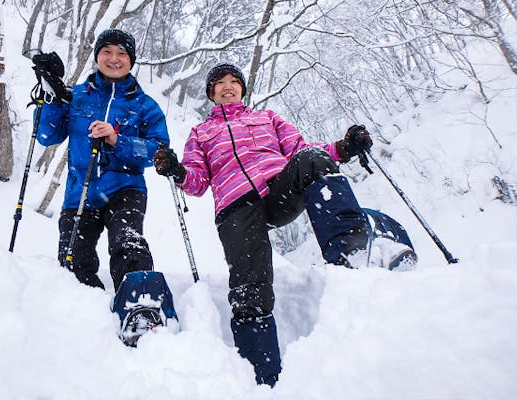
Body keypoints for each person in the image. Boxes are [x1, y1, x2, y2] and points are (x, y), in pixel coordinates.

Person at [154, 63, 415, 387]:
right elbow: (197, 182)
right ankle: (261, 378)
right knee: (250, 287)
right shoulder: (201, 133)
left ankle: (353, 252)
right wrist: (177, 170)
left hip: (277, 191)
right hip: (235, 207)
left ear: (242, 89)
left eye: (234, 82)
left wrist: (345, 148)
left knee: (314, 161)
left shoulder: (267, 118)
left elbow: (305, 152)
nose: (228, 86)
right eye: (220, 83)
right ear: (211, 93)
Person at [33, 29, 169, 293]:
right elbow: (48, 136)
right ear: (97, 57)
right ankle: (89, 310)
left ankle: (140, 302)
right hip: (79, 192)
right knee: (72, 261)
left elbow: (159, 150)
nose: (114, 58)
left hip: (125, 189)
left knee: (127, 242)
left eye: (121, 53)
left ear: (131, 60)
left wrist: (118, 141)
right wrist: (51, 94)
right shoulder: (76, 96)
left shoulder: (145, 105)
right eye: (107, 51)